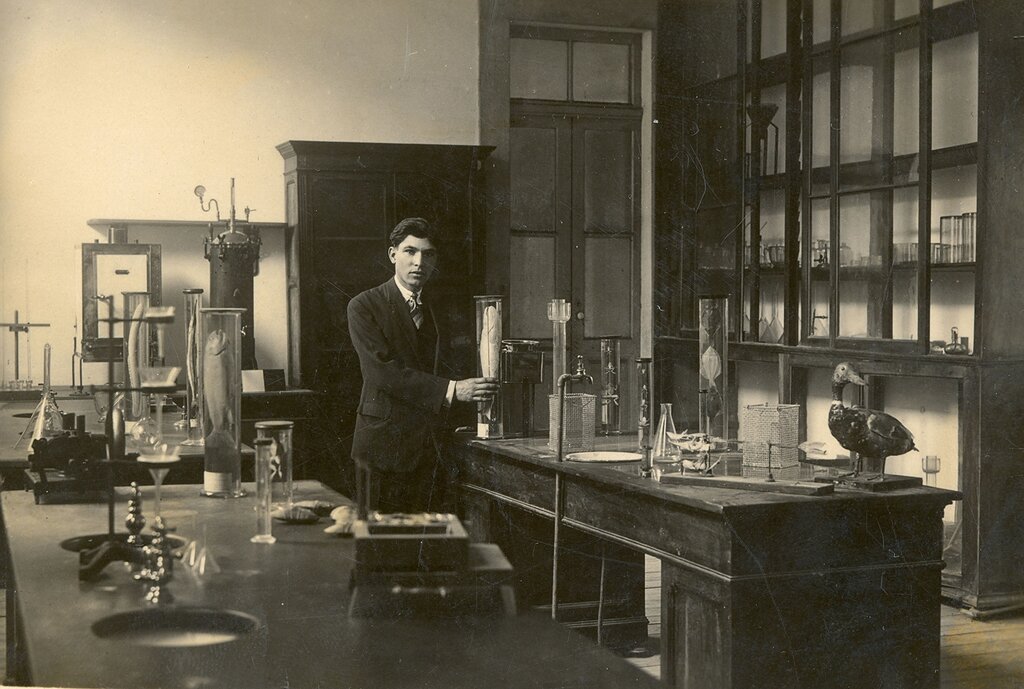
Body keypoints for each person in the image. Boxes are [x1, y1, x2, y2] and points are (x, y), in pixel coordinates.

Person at [347, 217, 498, 514]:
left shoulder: (440, 307)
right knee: (383, 537)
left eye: (428, 254)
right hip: (383, 450)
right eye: (410, 251)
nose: (419, 262)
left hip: (432, 449)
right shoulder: (364, 306)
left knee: (430, 537)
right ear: (393, 254)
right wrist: (453, 390)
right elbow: (382, 373)